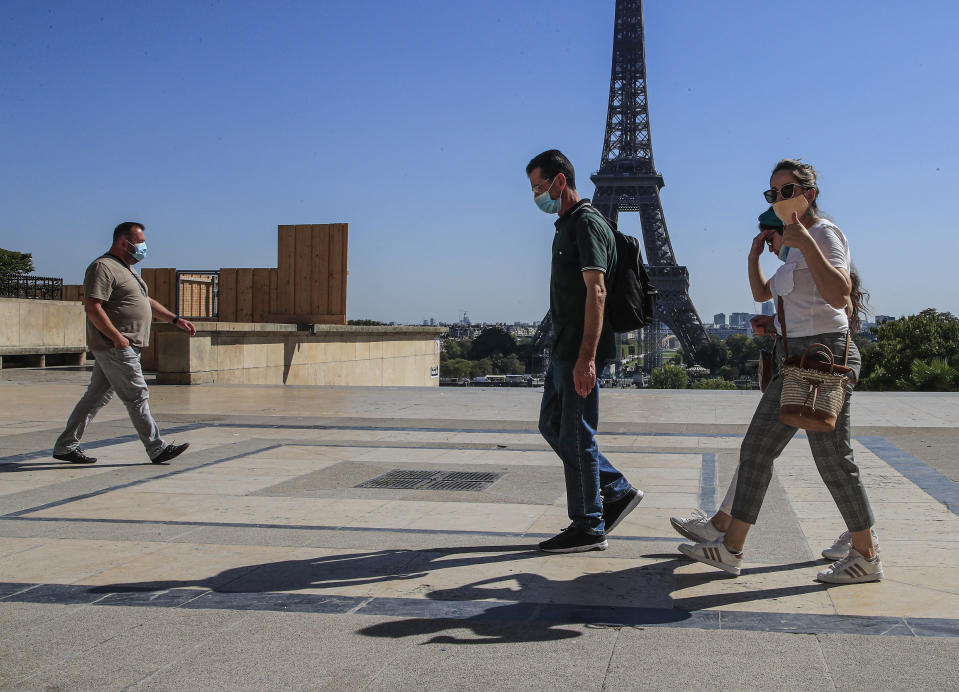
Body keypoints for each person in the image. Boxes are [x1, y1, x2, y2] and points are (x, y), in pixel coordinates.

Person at [677, 159, 882, 584]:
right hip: (796, 360)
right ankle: (730, 548)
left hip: (826, 359)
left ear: (810, 194)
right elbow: (763, 293)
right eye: (773, 193)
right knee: (756, 449)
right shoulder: (789, 249)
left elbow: (838, 293)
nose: (779, 199)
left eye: (787, 190)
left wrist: (805, 242)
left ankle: (866, 556)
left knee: (834, 461)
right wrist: (755, 257)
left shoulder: (824, 234)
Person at [525, 149, 643, 553]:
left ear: (560, 182)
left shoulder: (588, 224)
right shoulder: (567, 224)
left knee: (577, 435)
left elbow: (597, 290)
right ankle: (615, 488)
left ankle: (589, 525)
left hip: (578, 350)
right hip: (563, 348)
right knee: (553, 426)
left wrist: (587, 358)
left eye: (540, 187)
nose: (537, 196)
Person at [52, 222, 196, 465]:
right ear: (122, 242)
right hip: (116, 346)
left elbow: (144, 300)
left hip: (122, 345)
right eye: (139, 242)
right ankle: (157, 448)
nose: (143, 247)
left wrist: (174, 319)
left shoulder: (127, 269)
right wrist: (117, 338)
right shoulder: (102, 267)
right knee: (137, 394)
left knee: (96, 397)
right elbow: (92, 306)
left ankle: (65, 446)